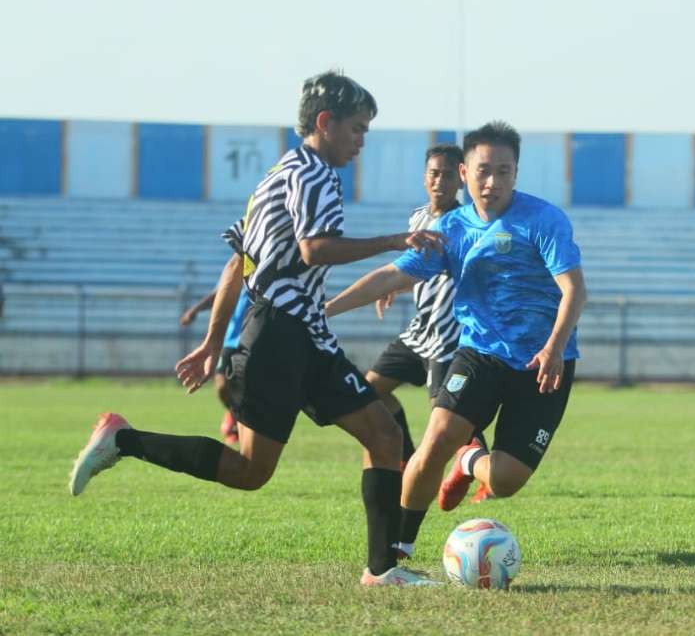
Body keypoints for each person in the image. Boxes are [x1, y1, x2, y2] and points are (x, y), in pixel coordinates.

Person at [68, 70, 444, 586]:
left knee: (382, 431)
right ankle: (124, 440)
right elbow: (315, 248)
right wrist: (395, 240)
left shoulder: (276, 175)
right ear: (325, 122)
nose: (362, 142)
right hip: (281, 336)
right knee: (251, 471)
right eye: (357, 129)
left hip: (301, 334)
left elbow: (235, 265)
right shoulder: (316, 176)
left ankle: (381, 569)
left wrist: (209, 341)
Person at [326, 120, 587, 559]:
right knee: (434, 442)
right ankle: (396, 553)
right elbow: (392, 274)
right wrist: (325, 309)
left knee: (504, 481)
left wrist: (555, 347)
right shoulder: (453, 229)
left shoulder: (543, 220)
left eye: (504, 171)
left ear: (516, 174)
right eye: (483, 170)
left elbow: (574, 290)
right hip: (480, 354)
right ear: (464, 173)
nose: (492, 182)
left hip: (544, 364)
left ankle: (469, 462)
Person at [357, 143, 492, 505]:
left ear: (461, 178)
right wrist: (397, 286)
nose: (440, 181)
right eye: (434, 173)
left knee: (446, 423)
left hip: (449, 337)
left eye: (448, 174)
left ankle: (474, 469)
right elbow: (412, 267)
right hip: (419, 333)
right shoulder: (417, 219)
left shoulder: (466, 223)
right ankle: (404, 454)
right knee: (369, 393)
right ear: (424, 177)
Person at [179, 286, 253, 445]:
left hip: (256, 335)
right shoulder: (243, 265)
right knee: (221, 384)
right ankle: (234, 415)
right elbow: (223, 290)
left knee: (251, 387)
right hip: (232, 338)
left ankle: (243, 427)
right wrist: (196, 310)